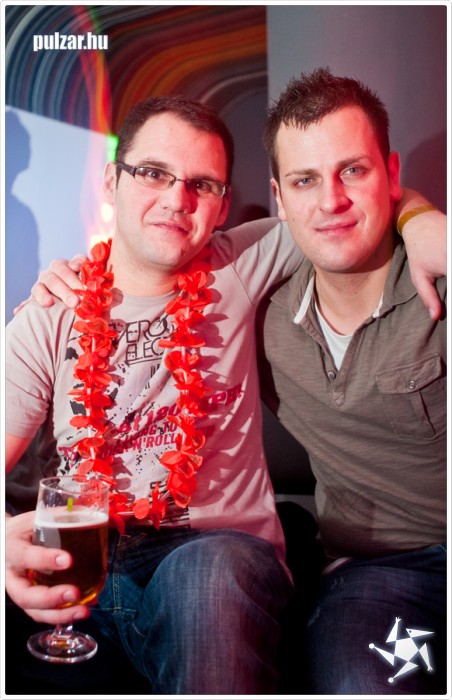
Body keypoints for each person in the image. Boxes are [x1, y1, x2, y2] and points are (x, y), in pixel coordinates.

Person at [5, 92, 446, 694]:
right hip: (93, 566)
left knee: (208, 576)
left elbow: (342, 207)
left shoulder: (242, 262)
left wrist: (422, 221)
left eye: (202, 184)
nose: (176, 199)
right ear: (111, 181)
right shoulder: (50, 313)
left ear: (223, 205)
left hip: (221, 560)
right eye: (153, 173)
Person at [257, 67, 447, 694]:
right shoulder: (262, 320)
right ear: (279, 197)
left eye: (353, 171)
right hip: (381, 578)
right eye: (304, 180)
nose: (330, 201)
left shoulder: (442, 279)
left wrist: (421, 218)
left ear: (392, 175)